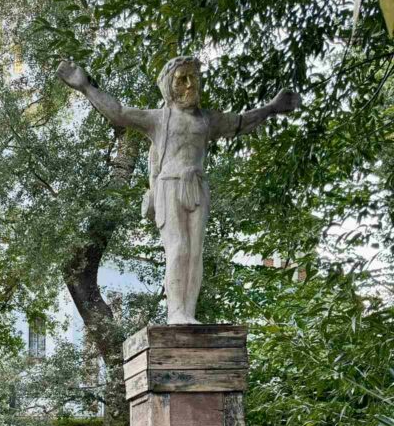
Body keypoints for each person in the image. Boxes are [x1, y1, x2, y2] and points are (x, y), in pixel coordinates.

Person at [57, 56, 300, 324]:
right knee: (179, 248)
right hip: (170, 186)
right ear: (169, 86)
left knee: (195, 253)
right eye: (181, 79)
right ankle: (176, 313)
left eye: (193, 77)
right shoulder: (159, 119)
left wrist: (273, 107)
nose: (189, 84)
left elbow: (241, 122)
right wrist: (86, 87)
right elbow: (119, 113)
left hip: (197, 185)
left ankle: (188, 313)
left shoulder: (207, 120)